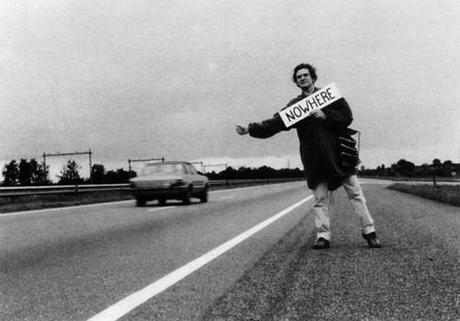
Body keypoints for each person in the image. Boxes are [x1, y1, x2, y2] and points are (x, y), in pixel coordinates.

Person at [236, 62, 381, 249]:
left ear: (313, 77)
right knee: (320, 199)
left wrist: (326, 115)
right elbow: (275, 123)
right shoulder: (295, 106)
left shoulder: (330, 97)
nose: (303, 78)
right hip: (314, 159)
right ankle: (323, 236)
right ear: (296, 83)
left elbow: (347, 116)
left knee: (355, 193)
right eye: (299, 77)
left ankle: (370, 232)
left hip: (339, 154)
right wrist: (250, 128)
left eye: (305, 75)